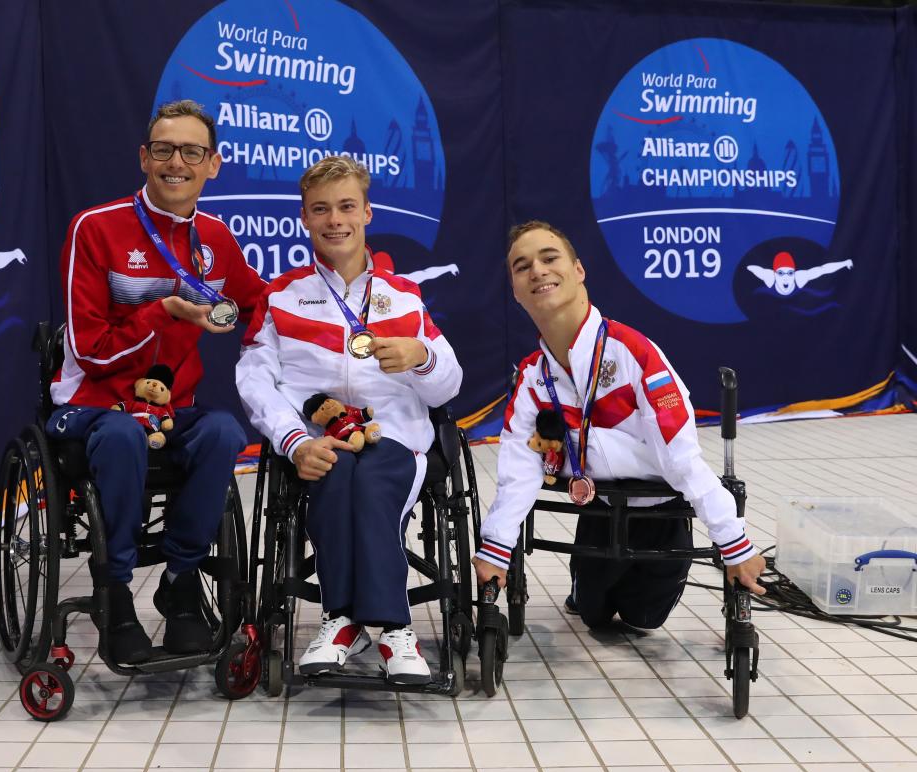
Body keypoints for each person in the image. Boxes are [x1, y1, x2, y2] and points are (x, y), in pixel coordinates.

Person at [47, 100, 266, 665]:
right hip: (91, 403)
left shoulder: (216, 238)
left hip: (171, 411)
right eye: (165, 149)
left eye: (193, 151)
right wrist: (164, 311)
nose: (178, 162)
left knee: (222, 432)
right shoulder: (95, 228)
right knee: (120, 437)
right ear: (144, 158)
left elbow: (259, 301)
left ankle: (182, 582)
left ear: (213, 165)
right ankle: (115, 592)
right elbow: (89, 350)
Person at [473, 221, 766, 630]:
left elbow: (682, 461)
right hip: (598, 508)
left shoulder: (634, 354)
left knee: (643, 620)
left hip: (663, 513)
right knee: (593, 616)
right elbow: (518, 472)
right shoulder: (532, 378)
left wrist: (734, 543)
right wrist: (497, 546)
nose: (537, 270)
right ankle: (585, 590)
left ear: (579, 271)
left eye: (549, 257)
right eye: (522, 267)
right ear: (516, 291)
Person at [237, 156, 462, 684]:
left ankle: (369, 623)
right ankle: (361, 625)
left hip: (395, 437)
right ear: (305, 219)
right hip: (316, 439)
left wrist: (421, 358)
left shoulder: (404, 295)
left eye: (345, 207)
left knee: (374, 474)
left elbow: (449, 381)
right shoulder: (282, 295)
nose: (334, 219)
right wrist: (293, 441)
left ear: (366, 213)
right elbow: (254, 378)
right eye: (321, 210)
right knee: (339, 472)